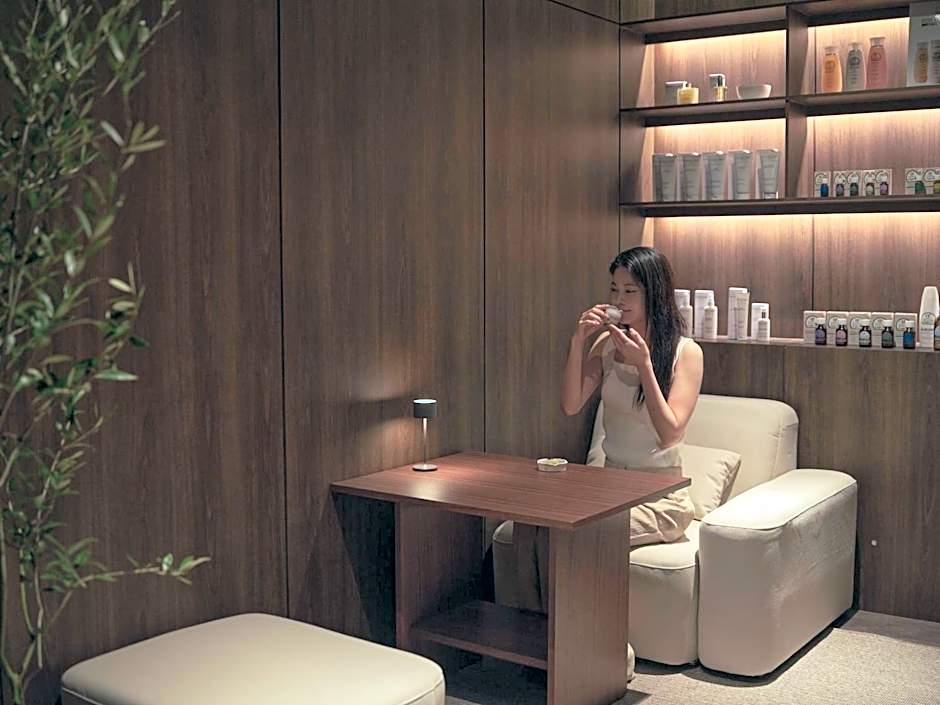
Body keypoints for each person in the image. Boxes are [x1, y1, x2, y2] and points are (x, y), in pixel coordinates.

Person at [512, 246, 703, 680]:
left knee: (576, 537)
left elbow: (670, 432)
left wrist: (645, 366)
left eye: (629, 291)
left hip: (660, 497)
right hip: (606, 488)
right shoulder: (605, 344)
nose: (618, 300)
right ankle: (544, 644)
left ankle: (608, 653)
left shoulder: (686, 353)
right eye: (614, 289)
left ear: (654, 293)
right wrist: (578, 341)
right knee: (529, 527)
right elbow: (570, 404)